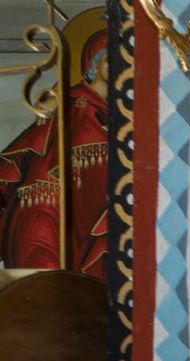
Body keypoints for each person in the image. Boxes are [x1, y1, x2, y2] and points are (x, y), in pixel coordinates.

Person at [0, 27, 109, 275]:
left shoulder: (120, 113)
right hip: (53, 201)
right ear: (92, 63)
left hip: (91, 207)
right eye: (108, 59)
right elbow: (39, 153)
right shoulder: (69, 102)